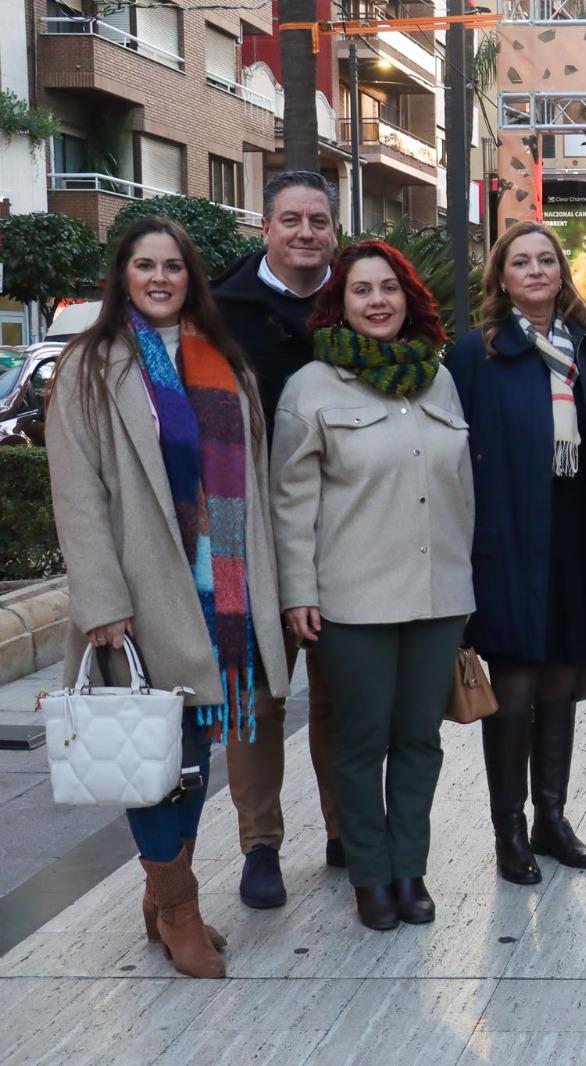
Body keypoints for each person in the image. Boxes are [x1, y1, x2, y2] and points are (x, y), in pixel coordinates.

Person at [46, 217, 290, 978]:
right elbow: (76, 495)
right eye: (144, 265)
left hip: (223, 594)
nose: (159, 278)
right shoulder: (91, 366)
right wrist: (100, 601)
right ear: (122, 276)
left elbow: (253, 482)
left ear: (193, 278)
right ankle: (178, 905)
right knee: (156, 751)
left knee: (194, 754)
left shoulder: (225, 360)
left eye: (173, 267)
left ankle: (162, 900)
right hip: (142, 593)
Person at [271, 240, 474, 931]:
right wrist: (298, 592)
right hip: (351, 602)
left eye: (388, 288)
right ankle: (369, 876)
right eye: (362, 291)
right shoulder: (312, 388)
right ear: (341, 302)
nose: (377, 301)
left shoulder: (438, 380)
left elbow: (462, 492)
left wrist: (465, 582)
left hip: (436, 596)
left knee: (420, 738)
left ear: (408, 298)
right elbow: (290, 503)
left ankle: (408, 870)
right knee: (361, 743)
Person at [448, 221, 586, 886]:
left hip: (576, 536)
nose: (534, 271)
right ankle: (510, 832)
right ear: (501, 277)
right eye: (520, 262)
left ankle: (553, 819)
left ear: (561, 273)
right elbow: (452, 458)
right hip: (505, 540)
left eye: (545, 261)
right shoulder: (478, 353)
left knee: (562, 681)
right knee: (517, 683)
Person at [212, 170, 343, 908]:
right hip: (245, 531)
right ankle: (260, 846)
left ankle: (342, 830)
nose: (305, 233)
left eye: (318, 221)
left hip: (340, 530)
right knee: (255, 698)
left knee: (340, 696)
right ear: (264, 228)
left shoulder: (359, 300)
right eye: (290, 219)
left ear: (334, 230)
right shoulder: (222, 311)